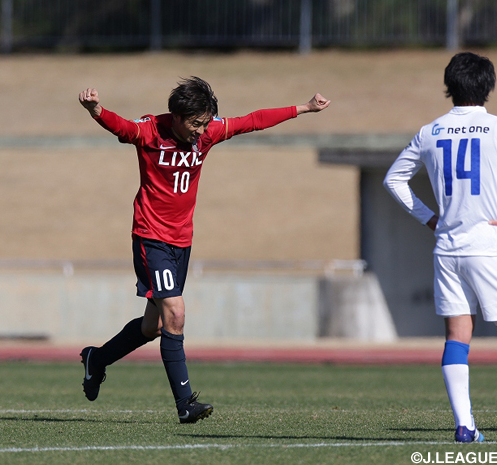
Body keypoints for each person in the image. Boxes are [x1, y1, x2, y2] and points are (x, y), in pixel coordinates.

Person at [78, 77, 330, 424]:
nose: (201, 130)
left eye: (205, 123)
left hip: (182, 242)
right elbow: (121, 127)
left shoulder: (207, 133)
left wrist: (302, 108)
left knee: (153, 327)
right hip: (151, 238)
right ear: (177, 116)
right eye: (195, 123)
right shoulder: (151, 131)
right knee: (176, 315)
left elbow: (252, 121)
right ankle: (185, 404)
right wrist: (96, 111)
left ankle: (98, 359)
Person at [383, 52, 497, 443]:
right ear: (488, 86)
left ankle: (465, 427)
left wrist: (430, 217)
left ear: (450, 86)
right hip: (489, 247)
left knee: (456, 336)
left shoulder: (429, 132)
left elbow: (394, 181)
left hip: (448, 247)